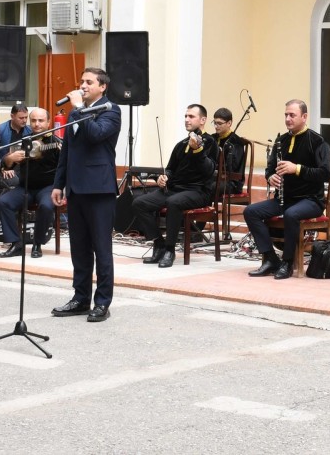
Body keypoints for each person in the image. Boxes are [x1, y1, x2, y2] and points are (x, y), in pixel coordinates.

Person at [50, 68, 123, 323]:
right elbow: (67, 152)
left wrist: (80, 108)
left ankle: (102, 302)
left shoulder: (111, 110)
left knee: (101, 248)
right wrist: (59, 184)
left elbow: (95, 136)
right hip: (76, 188)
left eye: (88, 82)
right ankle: (80, 298)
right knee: (79, 248)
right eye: (81, 81)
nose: (82, 85)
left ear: (102, 87)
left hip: (100, 189)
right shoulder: (74, 113)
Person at [243, 100, 330, 280]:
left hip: (310, 200)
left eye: (292, 115)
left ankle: (288, 262)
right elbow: (270, 168)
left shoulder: (317, 141)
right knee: (250, 211)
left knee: (292, 214)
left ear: (304, 117)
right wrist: (270, 177)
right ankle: (270, 258)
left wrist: (296, 169)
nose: (288, 119)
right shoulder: (281, 141)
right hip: (284, 199)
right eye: (286, 115)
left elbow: (325, 174)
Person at [135, 104, 219, 267]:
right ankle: (158, 244)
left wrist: (198, 150)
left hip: (198, 191)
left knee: (174, 203)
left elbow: (209, 171)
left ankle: (170, 250)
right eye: (185, 116)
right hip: (174, 189)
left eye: (191, 116)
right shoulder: (181, 144)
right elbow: (171, 169)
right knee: (139, 203)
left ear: (203, 120)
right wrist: (163, 178)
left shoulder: (210, 143)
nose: (187, 119)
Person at [0, 107, 60, 259]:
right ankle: (16, 243)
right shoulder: (23, 142)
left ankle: (37, 243)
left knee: (46, 205)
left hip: (48, 188)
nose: (37, 124)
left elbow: (67, 168)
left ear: (48, 122)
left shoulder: (57, 143)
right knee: (3, 202)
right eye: (34, 121)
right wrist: (9, 159)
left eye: (41, 120)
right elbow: (5, 165)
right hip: (25, 187)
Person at [0, 102, 29, 179]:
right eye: (21, 118)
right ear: (12, 116)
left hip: (21, 169)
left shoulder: (29, 130)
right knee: (14, 180)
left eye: (26, 117)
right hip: (3, 169)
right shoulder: (0, 130)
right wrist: (2, 168)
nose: (24, 121)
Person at [210, 107, 250, 195]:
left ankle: (210, 208)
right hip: (215, 178)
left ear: (229, 123)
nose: (216, 126)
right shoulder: (212, 138)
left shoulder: (236, 142)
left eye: (219, 123)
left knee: (207, 187)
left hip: (231, 183)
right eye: (215, 123)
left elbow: (233, 168)